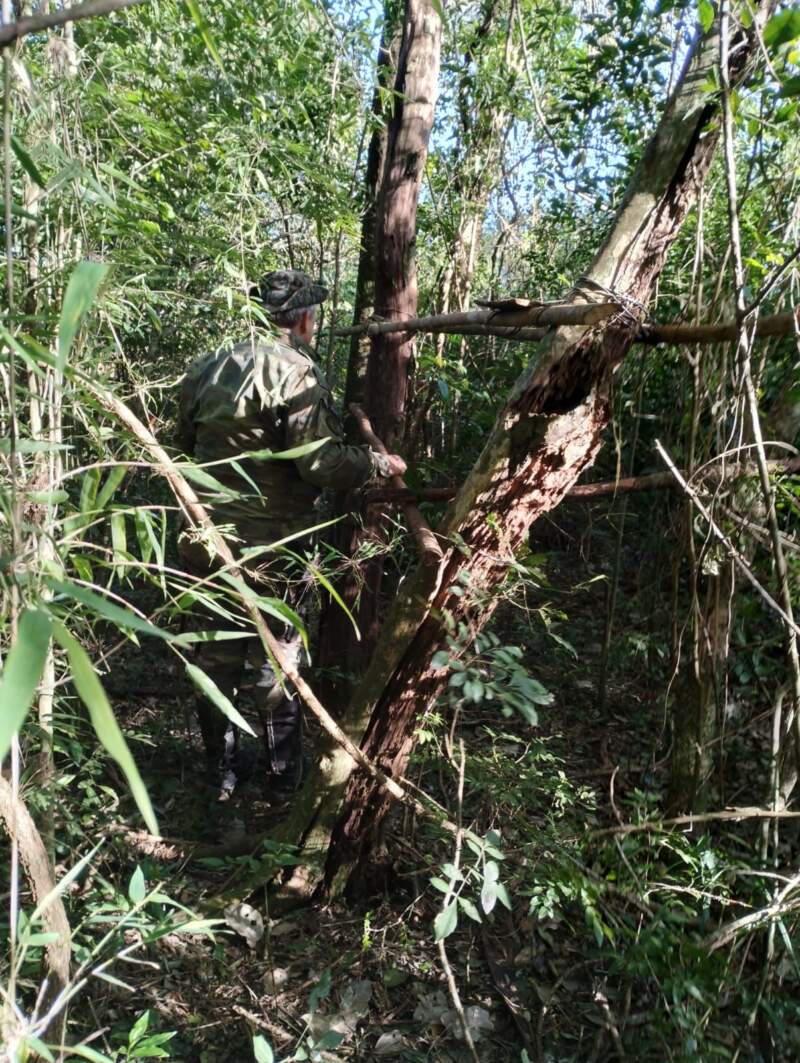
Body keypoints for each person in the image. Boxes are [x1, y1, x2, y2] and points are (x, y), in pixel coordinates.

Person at [176, 269, 406, 801]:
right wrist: (376, 462)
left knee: (214, 655)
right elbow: (319, 462)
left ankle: (223, 777)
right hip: (274, 541)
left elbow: (183, 443)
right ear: (302, 318)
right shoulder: (295, 373)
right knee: (276, 657)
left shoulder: (209, 364)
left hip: (208, 534)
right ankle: (282, 781)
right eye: (315, 315)